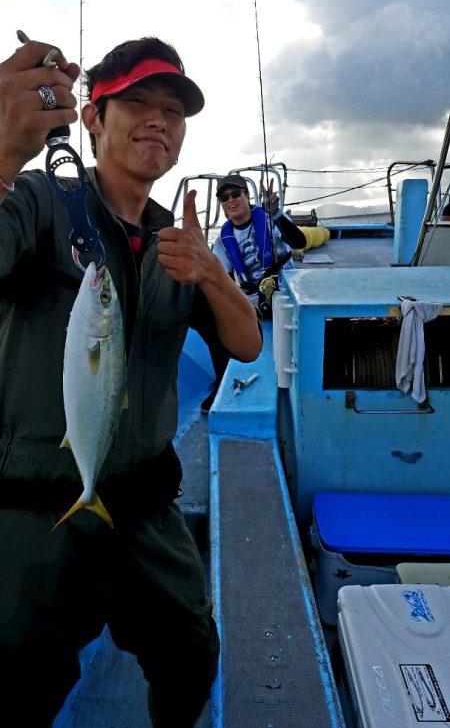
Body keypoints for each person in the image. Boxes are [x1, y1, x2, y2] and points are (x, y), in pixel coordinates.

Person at [0, 35, 262, 728]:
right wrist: (1, 153)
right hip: (33, 510)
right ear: (92, 117)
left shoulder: (180, 240)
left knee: (190, 652)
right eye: (138, 102)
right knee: (17, 679)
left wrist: (208, 271)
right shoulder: (36, 202)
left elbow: (247, 341)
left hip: (146, 506)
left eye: (173, 111)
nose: (159, 120)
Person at [200, 173, 305, 413]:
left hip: (285, 292)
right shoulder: (222, 242)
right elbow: (221, 280)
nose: (231, 200)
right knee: (212, 319)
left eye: (236, 193)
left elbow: (298, 242)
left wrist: (276, 213)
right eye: (224, 197)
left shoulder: (270, 218)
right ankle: (221, 382)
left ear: (248, 196)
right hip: (253, 299)